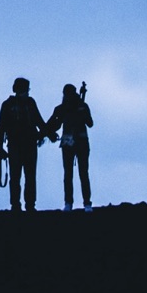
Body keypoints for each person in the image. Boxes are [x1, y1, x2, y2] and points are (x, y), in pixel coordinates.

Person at [0, 77, 47, 213]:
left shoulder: (12, 104)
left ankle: (24, 205)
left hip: (22, 145)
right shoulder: (15, 104)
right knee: (20, 177)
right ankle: (20, 205)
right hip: (21, 145)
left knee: (24, 177)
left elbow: (38, 120)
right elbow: (1, 126)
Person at [48, 84, 94, 212]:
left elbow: (90, 123)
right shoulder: (63, 108)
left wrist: (83, 113)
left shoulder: (81, 106)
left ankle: (85, 203)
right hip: (69, 142)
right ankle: (70, 202)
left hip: (81, 142)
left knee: (81, 173)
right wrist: (48, 132)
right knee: (71, 174)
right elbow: (54, 124)